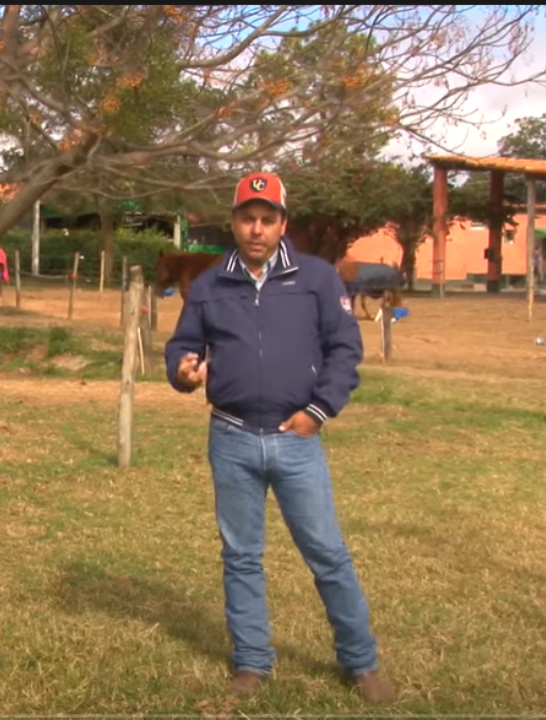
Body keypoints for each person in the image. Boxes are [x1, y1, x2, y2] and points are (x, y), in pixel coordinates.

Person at [162, 171, 396, 703]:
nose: (257, 229)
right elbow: (182, 346)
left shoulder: (317, 279)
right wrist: (183, 370)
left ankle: (362, 663)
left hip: (296, 439)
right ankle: (251, 662)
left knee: (327, 553)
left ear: (283, 224)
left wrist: (318, 411)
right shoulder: (210, 284)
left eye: (268, 219)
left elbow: (345, 351)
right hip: (232, 436)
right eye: (248, 218)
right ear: (234, 222)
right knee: (241, 555)